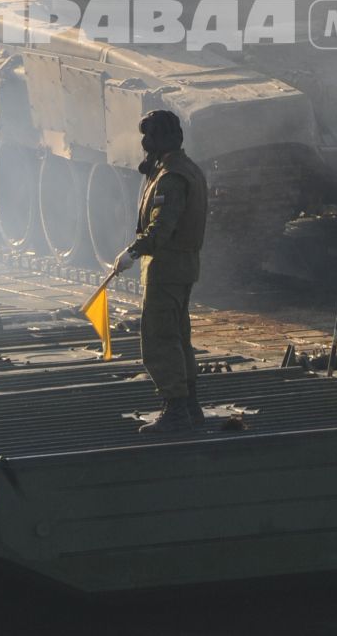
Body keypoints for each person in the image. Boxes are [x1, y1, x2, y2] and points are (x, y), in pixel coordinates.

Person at [127, 109, 210, 434]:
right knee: (179, 338)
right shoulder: (186, 169)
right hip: (183, 266)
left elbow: (162, 226)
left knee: (160, 338)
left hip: (165, 268)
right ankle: (190, 405)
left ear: (161, 139)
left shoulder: (171, 178)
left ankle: (175, 408)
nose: (145, 143)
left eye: (149, 137)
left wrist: (134, 251)